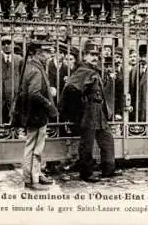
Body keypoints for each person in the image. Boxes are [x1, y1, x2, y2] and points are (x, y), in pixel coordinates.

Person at [59, 39, 121, 183]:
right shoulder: (83, 71)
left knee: (107, 139)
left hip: (99, 112)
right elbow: (71, 88)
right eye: (91, 54)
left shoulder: (93, 70)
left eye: (96, 55)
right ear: (84, 56)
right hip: (88, 112)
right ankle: (86, 173)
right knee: (87, 144)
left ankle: (108, 169)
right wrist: (80, 108)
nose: (95, 57)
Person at [12, 36, 57, 190]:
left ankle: (35, 175)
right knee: (33, 149)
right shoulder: (36, 70)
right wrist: (49, 105)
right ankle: (31, 180)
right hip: (36, 115)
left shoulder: (33, 67)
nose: (49, 56)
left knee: (35, 147)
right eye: (47, 53)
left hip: (34, 114)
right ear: (38, 53)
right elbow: (34, 94)